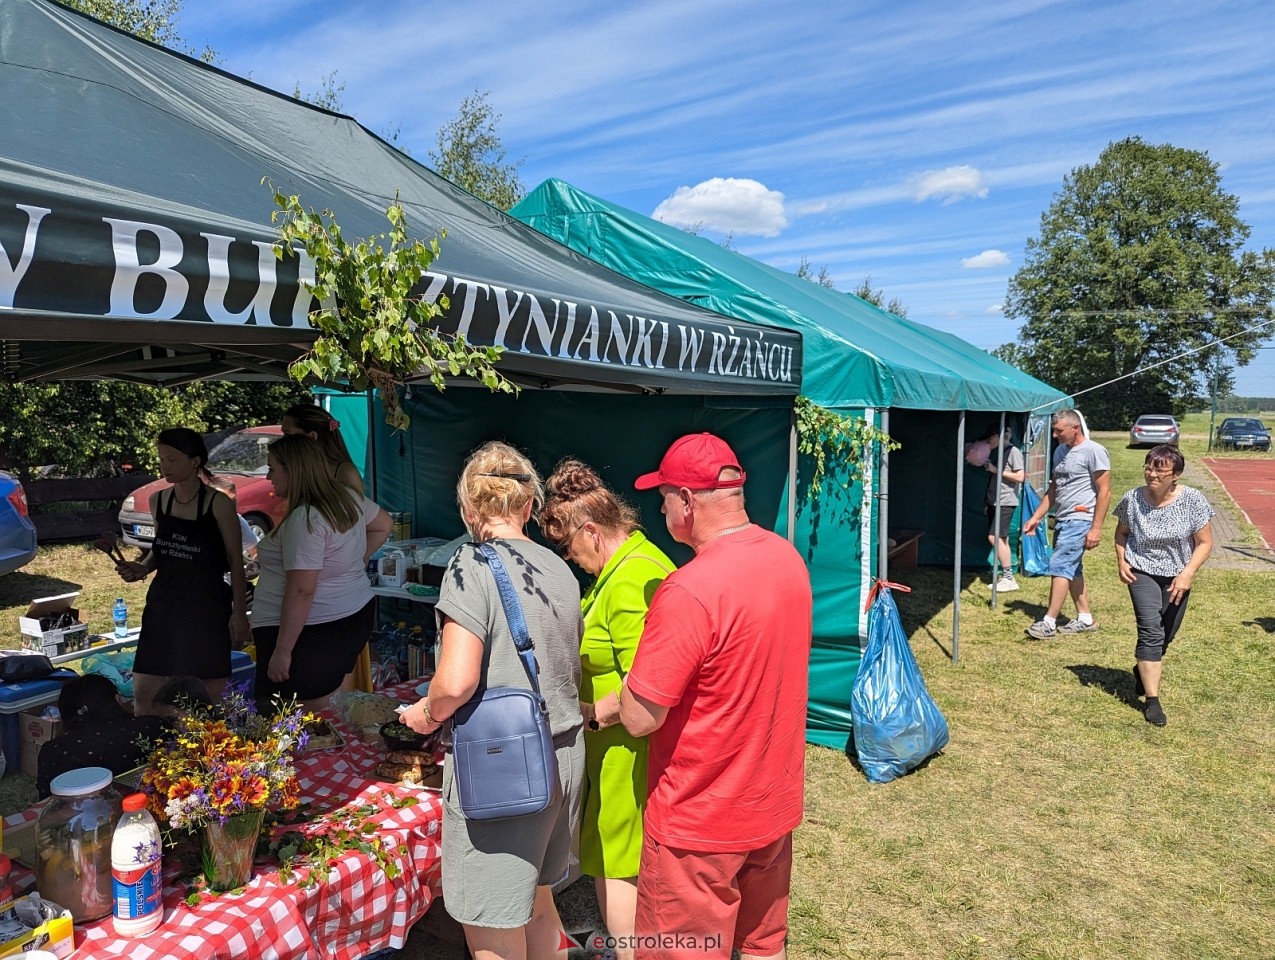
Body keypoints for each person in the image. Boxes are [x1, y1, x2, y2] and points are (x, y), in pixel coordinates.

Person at [618, 433, 812, 960]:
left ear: (686, 501)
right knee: (762, 946)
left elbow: (639, 718)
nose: (661, 510)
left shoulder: (687, 589)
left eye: (662, 498)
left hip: (697, 822)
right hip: (770, 802)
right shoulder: (787, 559)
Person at [398, 441, 584, 960]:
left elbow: (455, 682)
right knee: (541, 901)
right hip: (562, 754)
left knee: (492, 926)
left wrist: (425, 712)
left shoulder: (468, 564)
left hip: (503, 763)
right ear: (528, 506)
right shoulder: (558, 568)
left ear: (467, 509)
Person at [540, 458, 675, 960]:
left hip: (628, 748)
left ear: (593, 532)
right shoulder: (629, 565)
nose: (571, 558)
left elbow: (650, 681)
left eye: (571, 547)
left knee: (618, 864)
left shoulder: (629, 580)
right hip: (619, 747)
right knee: (614, 860)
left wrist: (589, 711)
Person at [250, 434, 391, 711]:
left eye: (272, 468)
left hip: (312, 631)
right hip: (346, 617)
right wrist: (352, 563)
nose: (268, 477)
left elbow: (302, 590)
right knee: (328, 709)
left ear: (294, 471)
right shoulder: (346, 498)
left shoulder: (306, 519)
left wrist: (283, 651)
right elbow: (383, 525)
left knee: (298, 718)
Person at [116, 428, 250, 715]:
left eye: (172, 459)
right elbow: (161, 549)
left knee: (204, 695)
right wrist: (141, 568)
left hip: (206, 608)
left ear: (194, 461)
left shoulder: (218, 503)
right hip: (164, 605)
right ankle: (150, 749)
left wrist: (239, 613)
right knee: (144, 691)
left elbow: (236, 563)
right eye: (162, 459)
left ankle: (204, 752)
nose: (165, 466)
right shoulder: (158, 501)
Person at [1114, 445, 1213, 727]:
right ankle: (1152, 700)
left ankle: (1141, 669)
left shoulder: (1194, 501)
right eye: (1148, 467)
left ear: (1176, 475)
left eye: (1160, 469)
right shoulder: (1132, 499)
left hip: (1178, 575)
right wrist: (1122, 562)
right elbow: (1121, 533)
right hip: (1141, 571)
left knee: (1165, 635)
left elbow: (1205, 543)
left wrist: (1188, 573)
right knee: (1150, 630)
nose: (1151, 473)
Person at [282, 401, 373, 694]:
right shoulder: (308, 472)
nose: (282, 439)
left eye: (287, 433)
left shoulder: (342, 472)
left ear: (309, 437)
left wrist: (354, 560)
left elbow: (359, 525)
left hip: (335, 606)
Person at [1022, 410, 1111, 639]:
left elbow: (1104, 492)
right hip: (1062, 520)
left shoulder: (1094, 451)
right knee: (1072, 569)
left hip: (1080, 519)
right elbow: (1053, 490)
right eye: (1054, 430)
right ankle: (1085, 619)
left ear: (1075, 428)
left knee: (1060, 566)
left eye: (1059, 430)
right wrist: (1036, 517)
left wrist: (1096, 528)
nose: (1054, 435)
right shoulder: (1060, 451)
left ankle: (1048, 622)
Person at [36, 675, 167, 799]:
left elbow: (47, 801)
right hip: (158, 810)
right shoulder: (153, 726)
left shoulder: (55, 750)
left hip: (81, 819)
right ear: (117, 699)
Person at [981, 423, 1026, 592]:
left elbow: (1020, 476)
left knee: (995, 537)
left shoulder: (1013, 452)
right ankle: (1006, 576)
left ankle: (1008, 577)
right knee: (1002, 539)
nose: (988, 442)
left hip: (1005, 501)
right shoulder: (999, 453)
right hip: (995, 501)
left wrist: (995, 470)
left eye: (989, 438)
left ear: (1000, 436)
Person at [282, 402, 365, 493]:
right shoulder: (300, 469)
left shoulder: (346, 473)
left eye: (287, 434)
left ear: (312, 436)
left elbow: (357, 506)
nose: (282, 440)